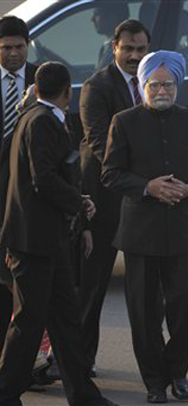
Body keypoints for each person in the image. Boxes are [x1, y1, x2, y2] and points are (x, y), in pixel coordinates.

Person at [102, 50, 188, 404]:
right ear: (143, 84)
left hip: (181, 231)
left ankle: (177, 372)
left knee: (184, 304)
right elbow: (110, 174)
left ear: (178, 85)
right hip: (140, 233)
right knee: (144, 311)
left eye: (168, 84)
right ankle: (154, 381)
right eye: (155, 84)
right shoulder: (124, 121)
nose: (162, 90)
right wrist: (147, 186)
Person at [0, 61, 117, 406]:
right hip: (32, 242)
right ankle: (5, 393)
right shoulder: (41, 122)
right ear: (68, 92)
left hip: (51, 241)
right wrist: (80, 204)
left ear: (36, 88)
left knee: (66, 321)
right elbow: (44, 180)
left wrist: (76, 209)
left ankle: (83, 395)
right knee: (28, 322)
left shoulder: (39, 118)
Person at [79, 18, 150, 377]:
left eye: (141, 49)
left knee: (146, 290)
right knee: (91, 286)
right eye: (129, 49)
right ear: (114, 48)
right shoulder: (97, 87)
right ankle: (79, 359)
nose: (136, 56)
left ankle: (154, 365)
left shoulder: (153, 83)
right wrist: (144, 177)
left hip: (141, 202)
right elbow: (97, 142)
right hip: (103, 200)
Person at [0, 15, 37, 356]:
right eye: (6, 47)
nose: (13, 54)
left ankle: (29, 358)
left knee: (24, 280)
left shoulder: (44, 79)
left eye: (19, 47)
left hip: (29, 197)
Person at [92, 1, 130, 72]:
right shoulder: (109, 45)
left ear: (113, 17)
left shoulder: (122, 49)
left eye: (97, 14)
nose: (92, 19)